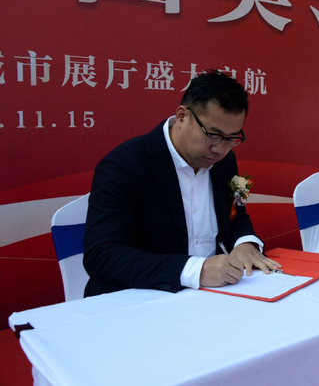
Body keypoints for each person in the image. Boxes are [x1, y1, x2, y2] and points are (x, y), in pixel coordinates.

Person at [83, 70, 280, 297]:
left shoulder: (223, 161)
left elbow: (235, 215)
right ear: (182, 116)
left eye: (231, 139)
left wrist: (244, 243)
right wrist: (195, 270)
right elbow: (102, 255)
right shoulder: (124, 165)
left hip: (215, 296)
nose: (219, 149)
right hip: (140, 298)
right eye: (212, 135)